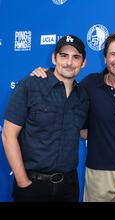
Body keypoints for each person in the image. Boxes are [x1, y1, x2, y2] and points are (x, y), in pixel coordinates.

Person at [31, 32, 115, 202]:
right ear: (105, 58)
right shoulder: (89, 85)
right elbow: (64, 92)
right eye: (113, 54)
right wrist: (45, 73)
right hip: (98, 173)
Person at [1, 35, 89, 201]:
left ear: (83, 62)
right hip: (32, 185)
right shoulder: (30, 85)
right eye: (64, 55)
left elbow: (81, 131)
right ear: (54, 58)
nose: (69, 62)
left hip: (68, 187)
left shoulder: (83, 96)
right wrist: (23, 182)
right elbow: (8, 135)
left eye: (76, 57)